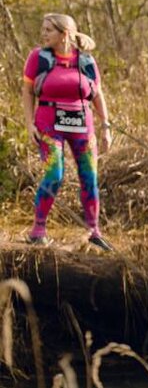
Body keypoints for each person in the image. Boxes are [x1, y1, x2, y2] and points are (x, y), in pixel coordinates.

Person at [21, 13, 113, 250]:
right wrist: (29, 123)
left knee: (90, 177)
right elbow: (28, 91)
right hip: (49, 125)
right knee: (55, 173)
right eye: (43, 29)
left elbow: (98, 94)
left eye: (49, 30)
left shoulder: (86, 61)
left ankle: (94, 232)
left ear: (65, 34)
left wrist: (106, 126)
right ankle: (38, 230)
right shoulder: (38, 58)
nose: (44, 34)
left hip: (83, 126)